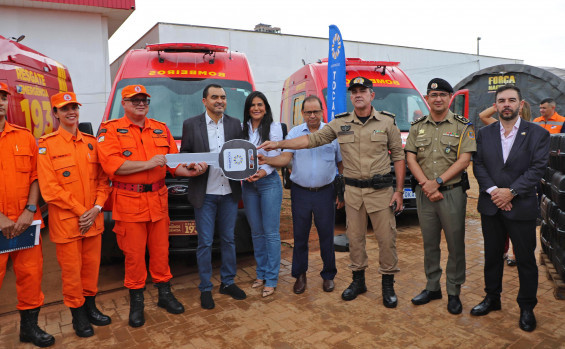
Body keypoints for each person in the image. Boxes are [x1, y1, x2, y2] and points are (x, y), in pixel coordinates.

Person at [259, 76, 405, 308]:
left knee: (386, 240)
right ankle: (358, 282)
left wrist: (399, 190)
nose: (358, 94)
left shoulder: (387, 123)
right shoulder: (339, 125)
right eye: (354, 91)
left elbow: (398, 156)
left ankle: (388, 285)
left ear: (371, 95)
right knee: (355, 240)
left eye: (363, 90)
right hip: (353, 193)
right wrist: (278, 145)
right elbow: (311, 140)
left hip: (379, 192)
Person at [97, 84, 202, 327]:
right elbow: (112, 166)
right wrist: (148, 163)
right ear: (124, 104)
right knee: (134, 256)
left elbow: (174, 166)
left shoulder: (160, 129)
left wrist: (192, 170)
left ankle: (165, 295)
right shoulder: (110, 130)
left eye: (144, 100)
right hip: (129, 202)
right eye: (135, 100)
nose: (141, 103)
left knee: (161, 252)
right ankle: (137, 303)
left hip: (158, 200)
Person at [472, 84, 549, 332]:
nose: (506, 104)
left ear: (521, 104)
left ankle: (526, 307)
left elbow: (537, 169)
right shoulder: (484, 134)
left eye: (511, 100)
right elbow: (479, 166)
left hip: (521, 206)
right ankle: (492, 298)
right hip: (491, 205)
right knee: (492, 257)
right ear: (495, 105)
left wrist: (511, 192)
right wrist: (495, 192)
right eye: (501, 100)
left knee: (525, 259)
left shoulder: (537, 133)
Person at [37, 92, 112, 338]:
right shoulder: (46, 145)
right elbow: (50, 190)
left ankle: (91, 308)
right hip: (69, 224)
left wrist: (97, 207)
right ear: (55, 113)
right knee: (72, 274)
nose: (71, 112)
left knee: (91, 270)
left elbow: (103, 180)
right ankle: (78, 316)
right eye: (64, 108)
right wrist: (83, 211)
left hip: (93, 221)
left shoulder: (92, 143)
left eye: (74, 107)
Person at [405, 78, 476, 315]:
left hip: (452, 193)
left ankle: (454, 291)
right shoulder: (417, 127)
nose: (438, 99)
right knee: (429, 243)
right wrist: (426, 185)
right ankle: (432, 287)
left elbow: (465, 159)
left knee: (455, 245)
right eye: (433, 95)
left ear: (449, 98)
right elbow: (411, 157)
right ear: (427, 99)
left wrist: (437, 182)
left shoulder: (462, 125)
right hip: (425, 194)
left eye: (443, 95)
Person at [258, 95, 342, 294]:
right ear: (302, 113)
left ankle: (328, 275)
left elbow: (341, 163)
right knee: (300, 237)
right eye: (308, 112)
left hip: (325, 193)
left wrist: (341, 190)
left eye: (316, 111)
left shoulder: (332, 133)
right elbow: (285, 158)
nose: (312, 116)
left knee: (326, 237)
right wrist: (266, 160)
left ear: (322, 112)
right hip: (301, 193)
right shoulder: (295, 133)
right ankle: (300, 276)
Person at [180, 84, 247, 309]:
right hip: (205, 193)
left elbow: (240, 154)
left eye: (223, 97)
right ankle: (205, 288)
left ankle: (227, 282)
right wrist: (191, 163)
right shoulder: (191, 124)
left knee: (228, 240)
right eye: (215, 97)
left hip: (228, 192)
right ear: (204, 101)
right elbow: (185, 153)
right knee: (205, 242)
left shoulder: (234, 124)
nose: (220, 101)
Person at [0, 82, 54, 347]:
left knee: (31, 277)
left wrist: (30, 210)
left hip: (25, 222)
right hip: (0, 223)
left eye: (2, 97)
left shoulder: (24, 137)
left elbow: (35, 176)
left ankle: (29, 329)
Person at [241, 91, 284, 298]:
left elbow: (275, 157)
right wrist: (244, 175)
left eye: (260, 104)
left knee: (271, 233)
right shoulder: (243, 128)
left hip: (269, 184)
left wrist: (262, 172)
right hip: (249, 185)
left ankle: (272, 278)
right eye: (252, 105)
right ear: (248, 108)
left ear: (266, 107)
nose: (256, 108)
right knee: (256, 232)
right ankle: (261, 273)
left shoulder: (274, 128)